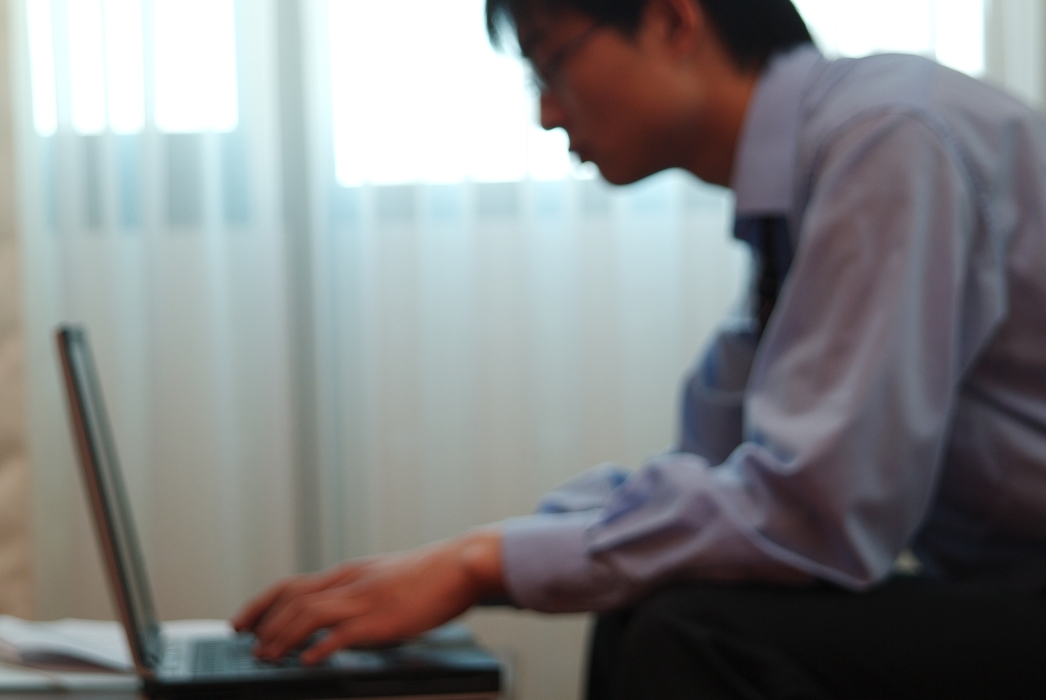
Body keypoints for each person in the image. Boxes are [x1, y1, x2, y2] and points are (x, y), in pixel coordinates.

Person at [232, 0, 1046, 697]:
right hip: (999, 582)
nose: (547, 112)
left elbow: (812, 514)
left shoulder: (886, 139)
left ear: (671, 20)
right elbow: (714, 476)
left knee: (689, 633)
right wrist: (465, 555)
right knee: (650, 596)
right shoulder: (805, 190)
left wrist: (483, 565)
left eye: (548, 64)